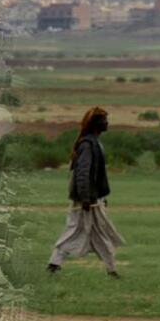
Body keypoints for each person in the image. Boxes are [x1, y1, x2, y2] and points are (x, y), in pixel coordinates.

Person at [47, 106, 125, 278]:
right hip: (86, 199)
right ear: (97, 124)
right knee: (74, 230)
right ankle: (54, 264)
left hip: (92, 198)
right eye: (104, 120)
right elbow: (82, 173)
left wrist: (101, 197)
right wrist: (85, 198)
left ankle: (111, 270)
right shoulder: (88, 145)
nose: (107, 123)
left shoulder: (93, 143)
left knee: (98, 232)